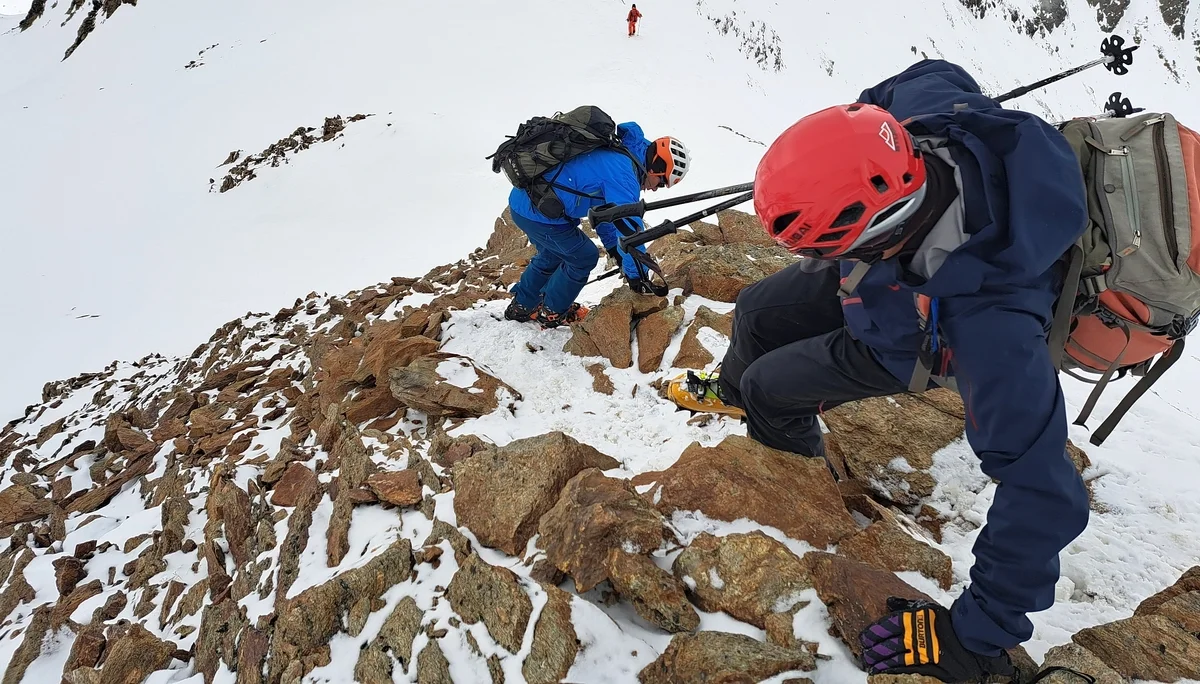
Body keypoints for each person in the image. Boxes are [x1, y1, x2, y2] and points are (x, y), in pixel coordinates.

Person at [669, 60, 1092, 682]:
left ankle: (794, 467)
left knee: (771, 387)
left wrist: (977, 636)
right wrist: (847, 151)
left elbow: (1046, 494)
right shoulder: (926, 120)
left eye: (819, 247)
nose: (811, 259)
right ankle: (734, 391)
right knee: (758, 308)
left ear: (869, 234)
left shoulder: (992, 326)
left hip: (905, 342)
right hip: (878, 282)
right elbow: (928, 73)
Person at [504, 125, 690, 327]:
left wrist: (614, 248)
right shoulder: (624, 173)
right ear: (656, 165)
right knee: (583, 257)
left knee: (553, 254)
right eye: (661, 182)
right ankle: (552, 311)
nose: (654, 189)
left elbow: (606, 213)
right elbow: (630, 229)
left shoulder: (623, 156)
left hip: (526, 202)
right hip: (538, 213)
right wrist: (638, 275)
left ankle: (522, 306)